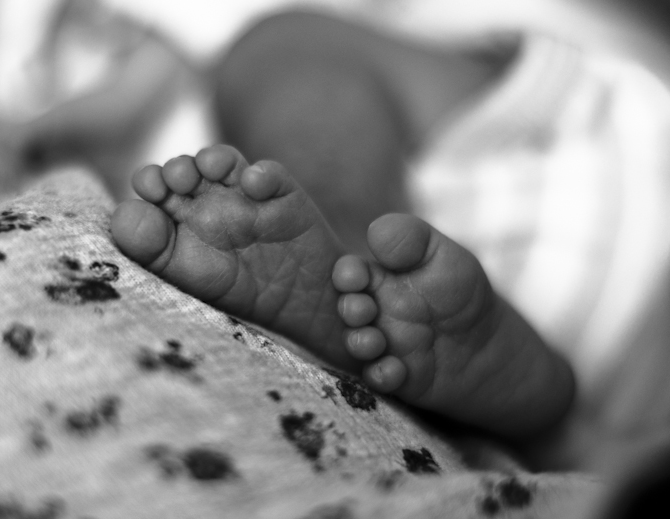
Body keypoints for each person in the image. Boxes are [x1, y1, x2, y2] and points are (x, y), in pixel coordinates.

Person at [109, 9, 578, 443]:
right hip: (556, 219)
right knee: (285, 48)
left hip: (553, 167)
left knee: (282, 48)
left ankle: (349, 259)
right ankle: (533, 392)